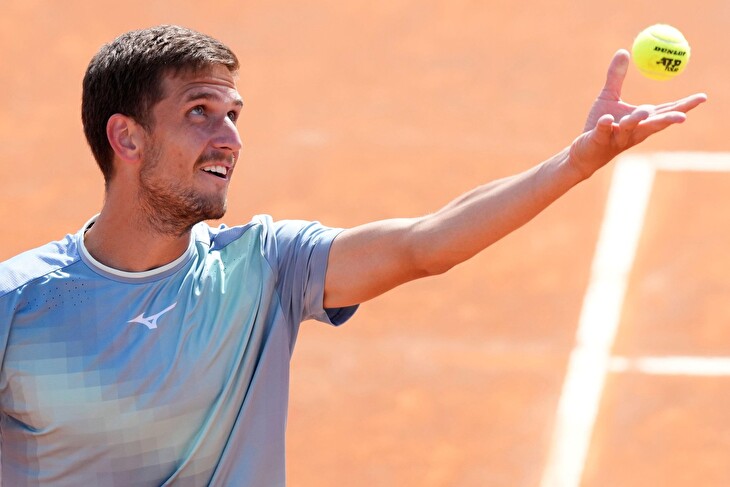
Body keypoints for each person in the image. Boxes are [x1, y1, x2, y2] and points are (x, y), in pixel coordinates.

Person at [0, 24, 706, 486]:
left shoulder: (267, 268)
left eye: (233, 115)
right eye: (200, 113)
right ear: (126, 138)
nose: (231, 138)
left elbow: (426, 243)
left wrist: (574, 163)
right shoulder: (17, 304)